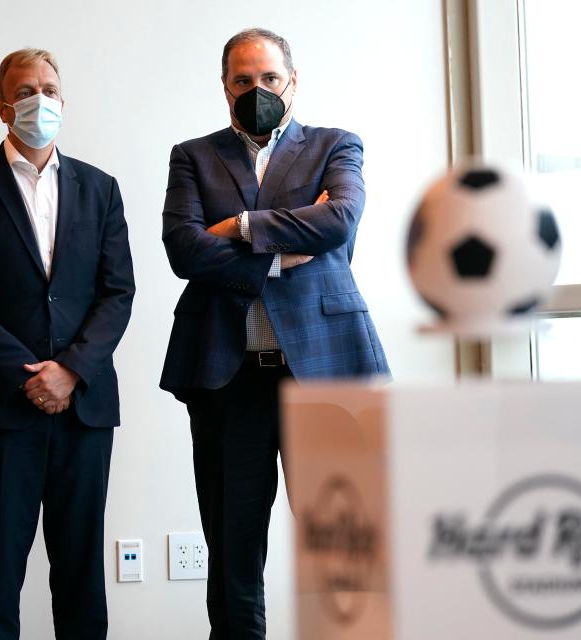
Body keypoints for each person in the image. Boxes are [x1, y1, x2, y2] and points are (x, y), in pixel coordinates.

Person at [160, 27, 389, 640]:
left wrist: (234, 225)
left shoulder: (337, 145)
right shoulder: (193, 156)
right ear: (225, 88)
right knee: (234, 549)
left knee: (345, 543)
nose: (255, 90)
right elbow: (184, 249)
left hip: (327, 369)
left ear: (293, 81)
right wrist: (280, 251)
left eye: (267, 78)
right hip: (230, 374)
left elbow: (337, 220)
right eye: (241, 80)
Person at [0, 48, 135, 640]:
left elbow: (117, 293)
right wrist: (30, 375)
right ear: (2, 107)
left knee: (80, 580)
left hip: (85, 411)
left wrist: (69, 372)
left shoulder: (101, 189)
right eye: (25, 92)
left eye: (49, 89)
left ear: (63, 103)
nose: (38, 101)